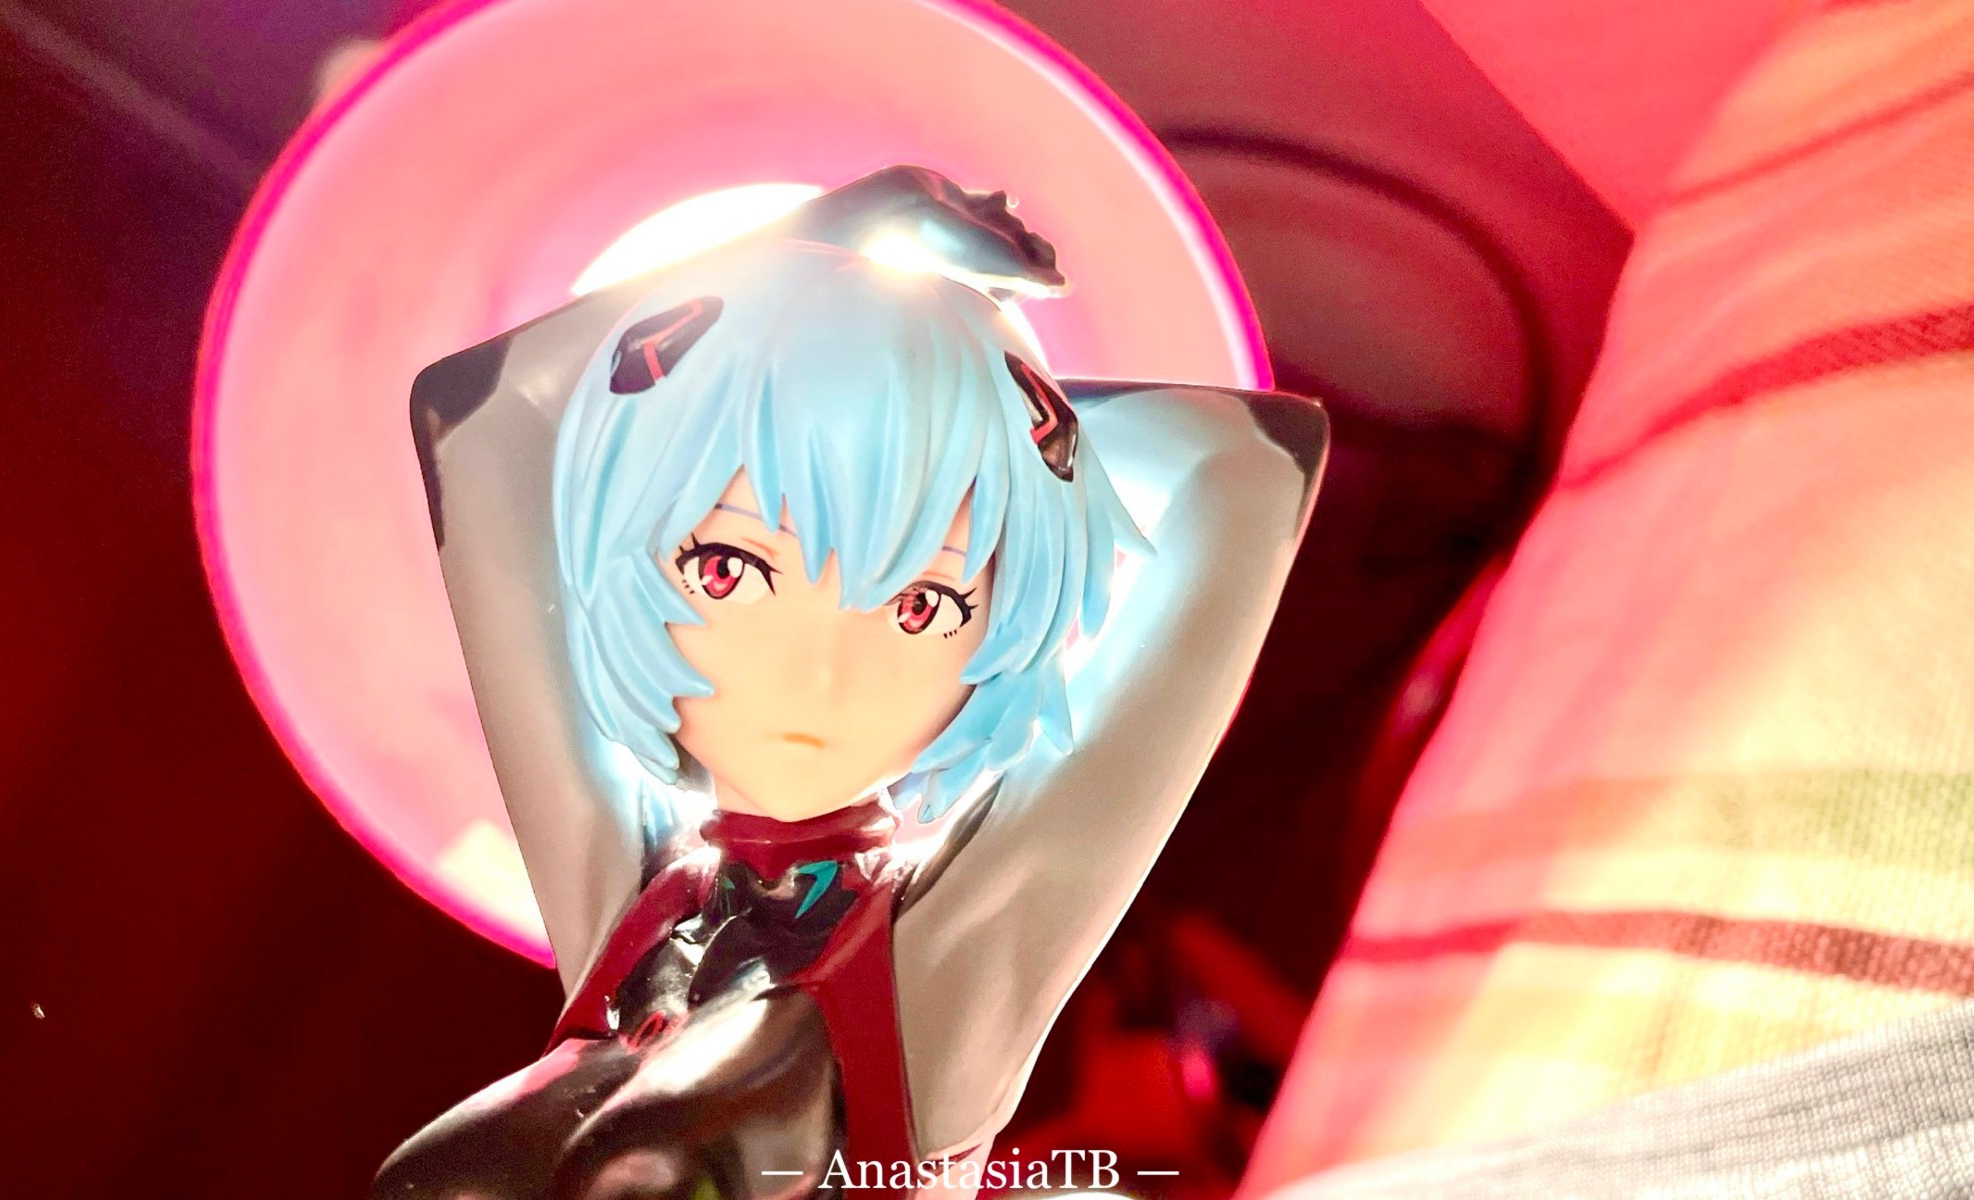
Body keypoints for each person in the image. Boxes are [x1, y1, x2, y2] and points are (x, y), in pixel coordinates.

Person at [382, 168, 1325, 1200]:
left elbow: (1251, 466)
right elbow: (476, 409)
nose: (821, 671)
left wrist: (974, 401)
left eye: (921, 603)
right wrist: (806, 269)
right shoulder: (633, 891)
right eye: (728, 570)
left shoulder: (960, 939)